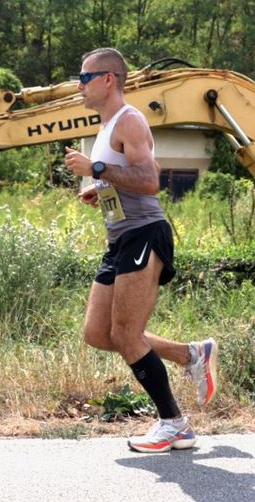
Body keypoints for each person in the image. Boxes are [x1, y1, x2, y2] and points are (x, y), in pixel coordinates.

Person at [63, 47, 218, 453]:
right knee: (99, 333)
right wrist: (102, 189)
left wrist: (96, 170)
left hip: (144, 233)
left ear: (108, 79)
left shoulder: (129, 120)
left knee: (127, 334)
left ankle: (175, 424)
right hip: (120, 238)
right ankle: (190, 354)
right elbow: (126, 175)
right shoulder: (105, 127)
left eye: (84, 78)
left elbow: (150, 180)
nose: (79, 85)